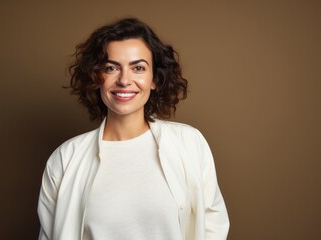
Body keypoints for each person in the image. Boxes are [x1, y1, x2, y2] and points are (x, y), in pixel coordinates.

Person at [37, 18, 229, 240]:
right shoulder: (64, 159)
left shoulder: (189, 143)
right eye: (111, 68)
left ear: (154, 79)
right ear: (96, 78)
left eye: (138, 68)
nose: (124, 80)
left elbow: (213, 226)